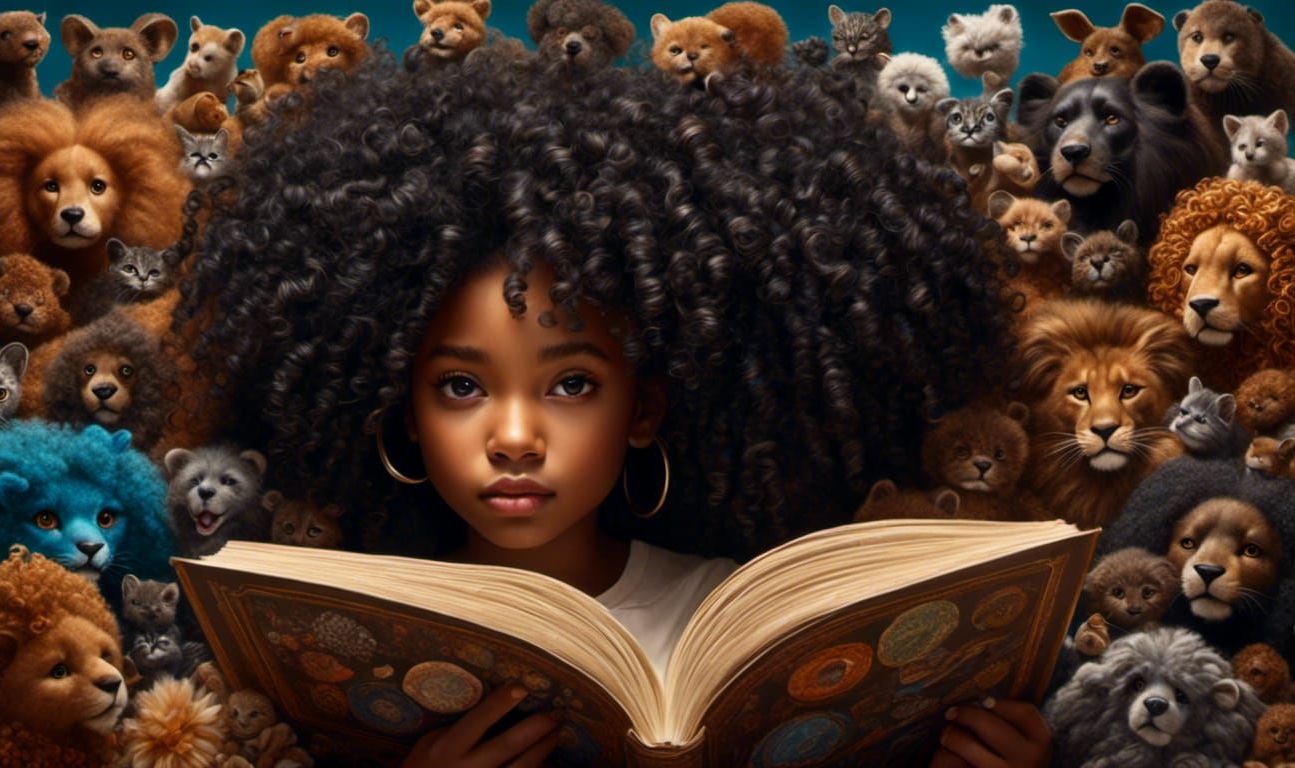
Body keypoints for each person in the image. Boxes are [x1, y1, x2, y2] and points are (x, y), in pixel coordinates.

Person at [177, 42, 1043, 768]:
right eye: (461, 387)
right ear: (403, 411)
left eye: (572, 385)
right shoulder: (342, 628)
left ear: (644, 410)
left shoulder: (739, 614)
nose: (514, 437)